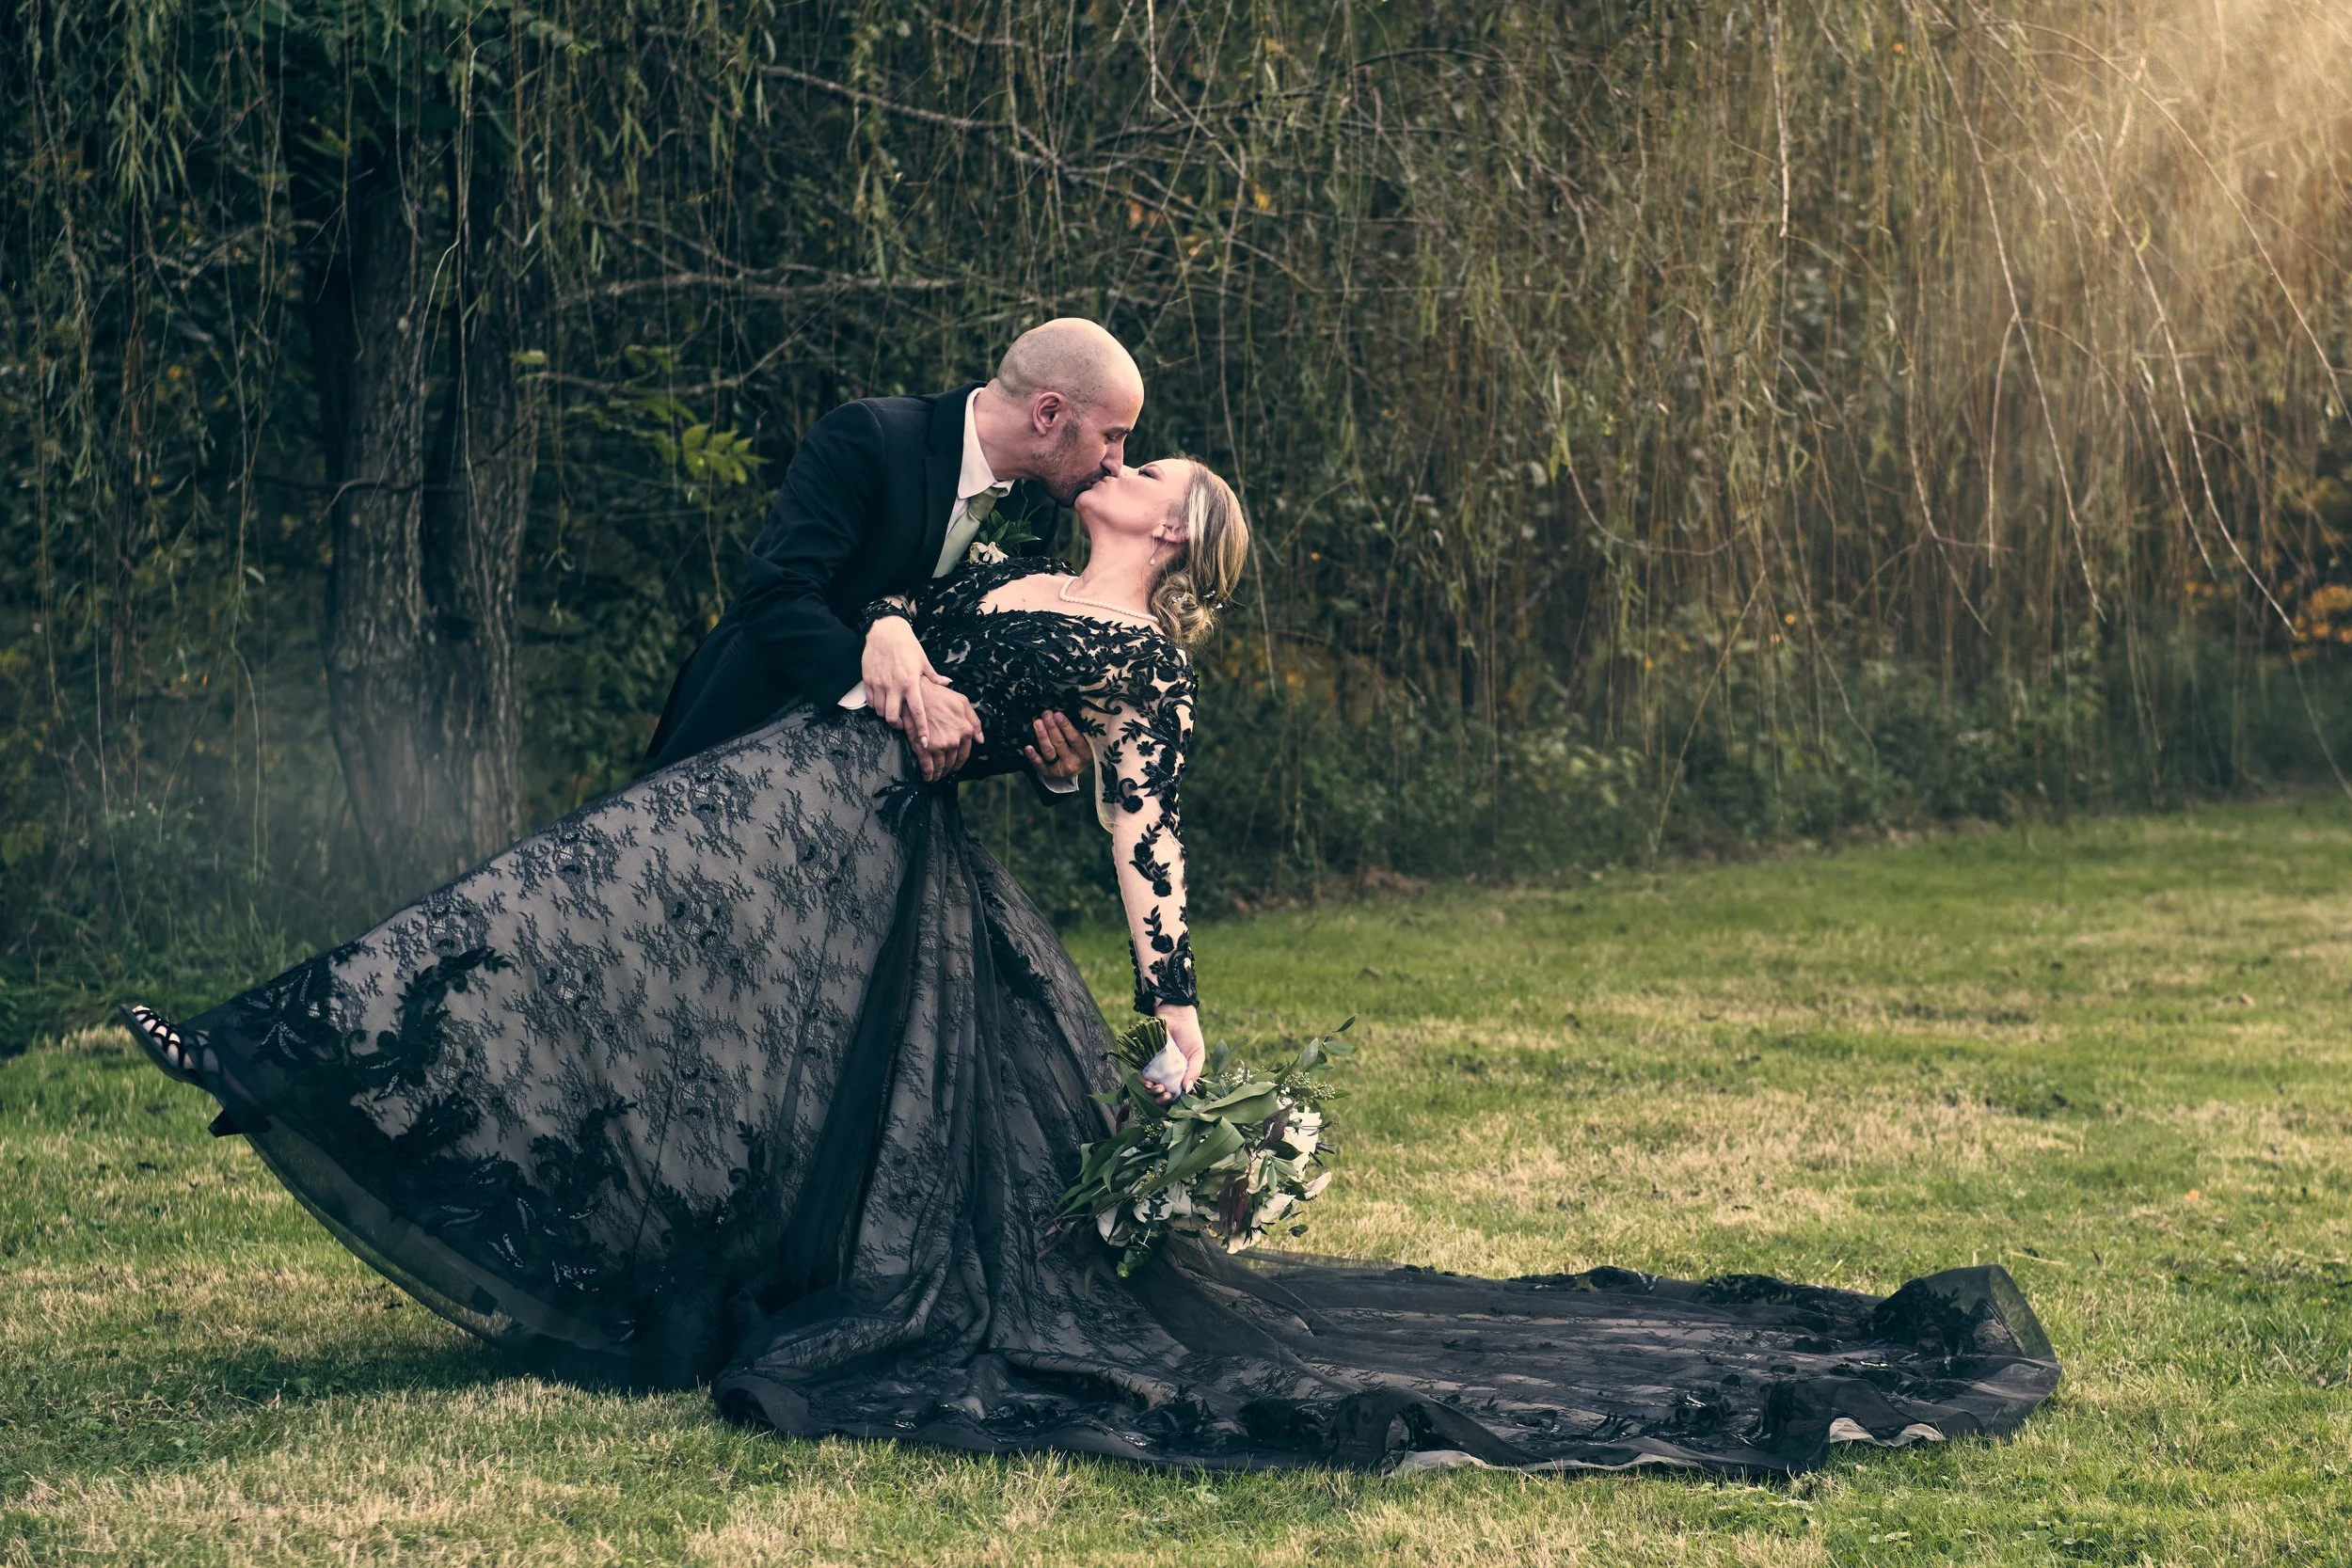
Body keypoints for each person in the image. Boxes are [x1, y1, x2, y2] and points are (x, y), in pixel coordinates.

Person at [119, 451, 2059, 1475]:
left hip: (884, 860)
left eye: (1156, 472)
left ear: (1179, 538)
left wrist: (1177, 1009)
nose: (1126, 466)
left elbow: (1145, 833)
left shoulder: (1138, 662)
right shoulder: (1003, 572)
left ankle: (281, 1046)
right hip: (805, 788)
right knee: (586, 918)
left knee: (609, 930)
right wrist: (902, 631)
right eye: (1129, 451)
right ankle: (321, 1045)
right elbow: (889, 611)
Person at [644, 316, 1148, 785]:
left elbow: (991, 680)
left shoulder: (1034, 505)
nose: (1116, 462)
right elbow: (775, 596)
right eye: (1112, 436)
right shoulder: (870, 438)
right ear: (1048, 413)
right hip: (742, 731)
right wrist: (908, 697)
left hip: (872, 789)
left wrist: (1046, 750)